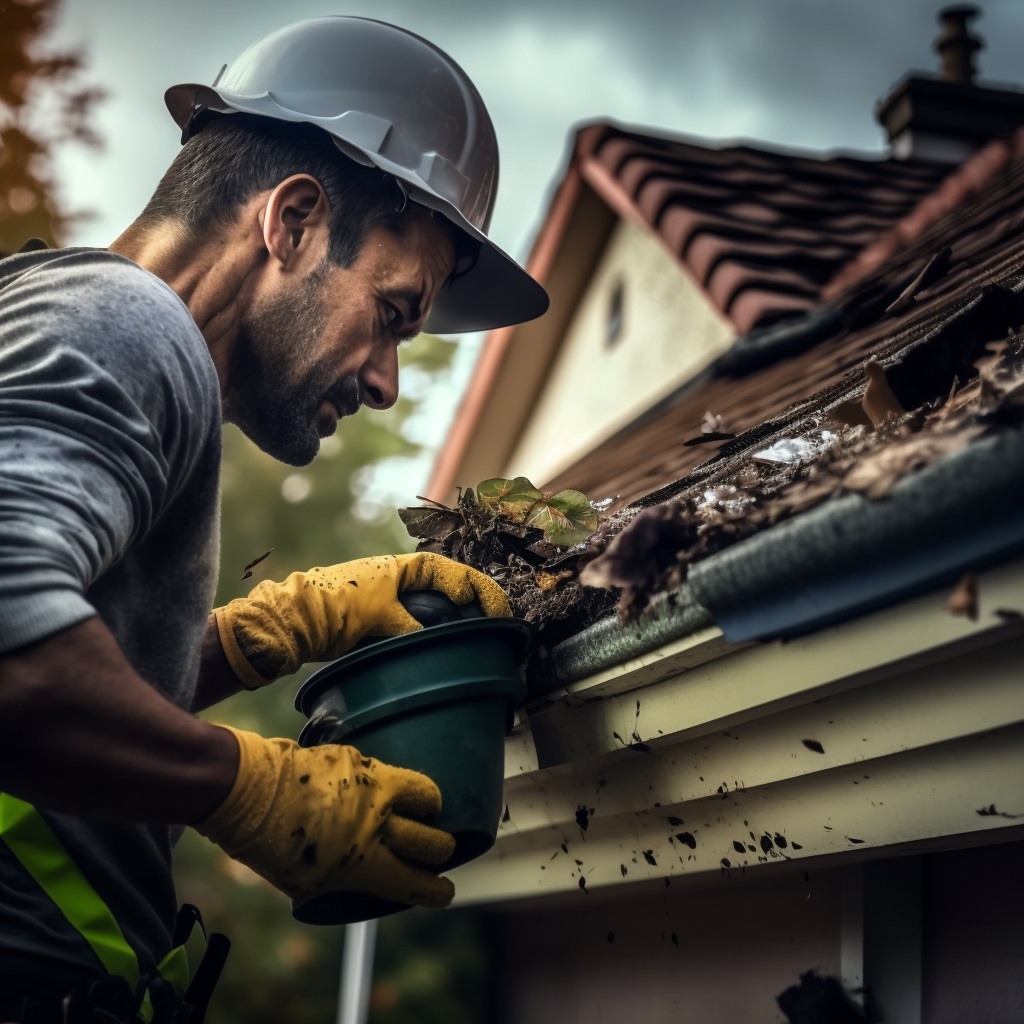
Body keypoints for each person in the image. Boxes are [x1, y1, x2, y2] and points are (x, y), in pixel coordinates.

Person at [0, 16, 548, 1022]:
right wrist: (244, 784)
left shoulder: (54, 315)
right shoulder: (130, 327)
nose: (386, 381)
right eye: (393, 313)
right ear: (291, 221)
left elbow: (50, 672)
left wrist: (258, 636)